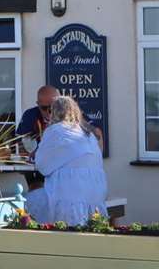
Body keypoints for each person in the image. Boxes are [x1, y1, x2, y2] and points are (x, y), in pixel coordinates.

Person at [24, 95, 108, 226]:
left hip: (68, 201)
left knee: (24, 202)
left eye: (50, 110)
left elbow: (42, 166)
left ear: (54, 112)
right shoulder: (88, 134)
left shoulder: (55, 130)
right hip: (95, 200)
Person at [16, 85, 58, 153]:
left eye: (52, 107)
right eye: (44, 108)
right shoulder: (30, 115)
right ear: (38, 104)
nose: (48, 112)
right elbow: (21, 142)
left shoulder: (68, 116)